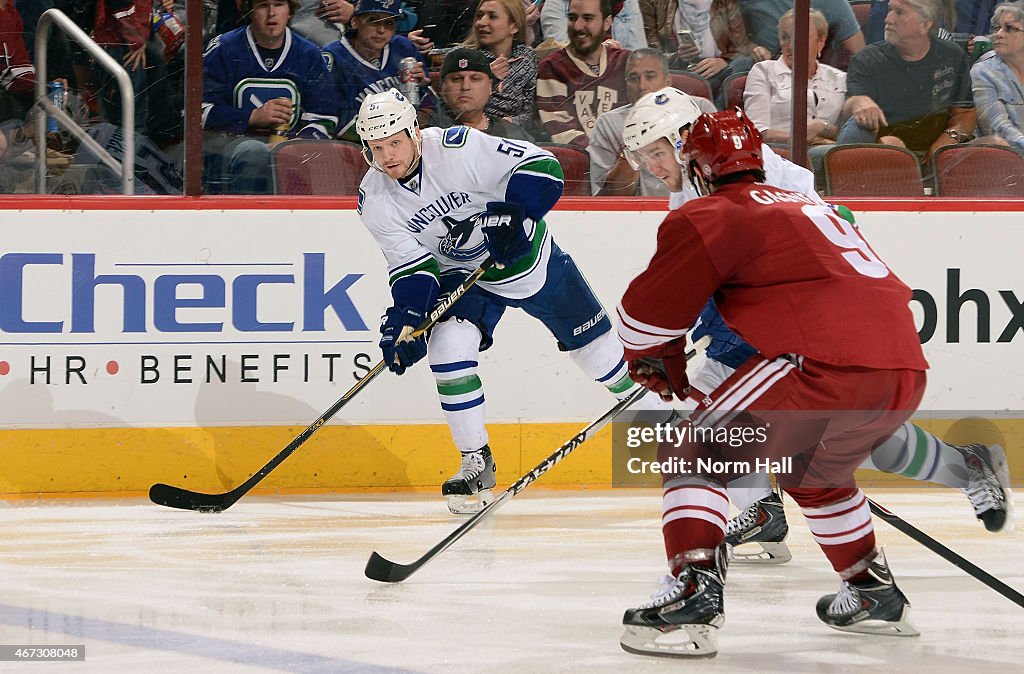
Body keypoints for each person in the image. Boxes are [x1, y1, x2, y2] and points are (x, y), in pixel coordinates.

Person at [620, 88, 1012, 567]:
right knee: (813, 433)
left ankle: (740, 534)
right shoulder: (692, 185)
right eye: (643, 157)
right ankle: (775, 511)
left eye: (656, 152)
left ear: (685, 139)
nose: (653, 166)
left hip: (795, 319)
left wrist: (680, 328)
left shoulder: (749, 168)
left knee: (721, 436)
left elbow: (812, 232)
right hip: (776, 314)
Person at [617, 109, 929, 657]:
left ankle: (690, 594)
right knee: (811, 470)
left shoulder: (711, 212)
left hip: (822, 365)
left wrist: (655, 357)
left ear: (699, 168)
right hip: (904, 370)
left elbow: (643, 319)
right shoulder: (810, 203)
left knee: (694, 449)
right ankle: (869, 589)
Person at [354, 87, 670, 513]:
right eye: (377, 147)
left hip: (528, 261)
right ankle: (475, 461)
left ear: (414, 131)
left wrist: (515, 213)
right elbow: (413, 269)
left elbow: (542, 165)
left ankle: (673, 437)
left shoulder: (458, 147)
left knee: (601, 359)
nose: (388, 155)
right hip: (467, 276)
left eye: (395, 142)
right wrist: (407, 319)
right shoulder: (375, 198)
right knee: (445, 346)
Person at [202, 0, 338, 193]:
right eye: (263, 5)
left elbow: (324, 117)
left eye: (279, 4)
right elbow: (199, 112)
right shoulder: (223, 49)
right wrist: (252, 117)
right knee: (253, 152)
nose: (272, 13)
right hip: (228, 151)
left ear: (290, 11)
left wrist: (301, 143)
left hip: (291, 150)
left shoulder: (309, 54)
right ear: (250, 11)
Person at [837, 0, 976, 164]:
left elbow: (965, 114)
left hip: (938, 151)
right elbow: (849, 110)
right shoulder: (867, 59)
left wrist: (948, 140)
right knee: (875, 137)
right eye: (889, 10)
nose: (888, 19)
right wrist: (858, 102)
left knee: (996, 145)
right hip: (880, 152)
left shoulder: (952, 55)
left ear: (925, 24)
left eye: (899, 12)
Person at [589, 49, 714, 196]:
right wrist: (633, 148)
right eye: (633, 78)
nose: (642, 85)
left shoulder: (698, 109)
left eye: (650, 76)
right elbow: (606, 200)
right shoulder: (608, 123)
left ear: (668, 81)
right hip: (642, 214)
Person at [743, 8, 844, 186]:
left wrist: (821, 127)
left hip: (831, 155)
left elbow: (846, 131)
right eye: (785, 37)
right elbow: (757, 132)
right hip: (783, 157)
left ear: (821, 41)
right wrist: (799, 138)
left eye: (799, 37)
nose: (790, 45)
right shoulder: (764, 72)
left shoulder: (839, 78)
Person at [321, 0, 429, 141]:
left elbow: (428, 105)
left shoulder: (404, 47)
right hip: (360, 145)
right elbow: (335, 121)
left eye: (389, 23)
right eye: (373, 20)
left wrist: (422, 87)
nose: (381, 30)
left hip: (406, 138)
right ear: (354, 22)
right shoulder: (332, 57)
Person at [536, 0, 630, 147]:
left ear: (607, 22)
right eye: (572, 18)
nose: (578, 26)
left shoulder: (626, 62)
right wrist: (607, 156)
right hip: (585, 163)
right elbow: (562, 132)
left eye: (588, 18)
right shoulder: (552, 67)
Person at [638, 0, 754, 105]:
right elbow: (650, 58)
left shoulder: (725, 2)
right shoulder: (653, 3)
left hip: (720, 70)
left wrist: (723, 61)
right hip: (679, 71)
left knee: (744, 63)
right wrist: (678, 57)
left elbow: (742, 47)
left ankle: (712, 115)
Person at [423, 47, 534, 140]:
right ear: (442, 87)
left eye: (475, 79)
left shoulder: (513, 136)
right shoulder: (423, 129)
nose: (465, 87)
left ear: (490, 87)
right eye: (456, 79)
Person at [459, 0, 538, 131]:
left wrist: (512, 122)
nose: (482, 22)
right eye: (479, 16)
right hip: (474, 135)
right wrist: (485, 78)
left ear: (514, 26)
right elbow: (457, 112)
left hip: (516, 136)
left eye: (492, 16)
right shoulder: (462, 58)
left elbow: (532, 112)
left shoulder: (526, 57)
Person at [971, 1, 1024, 152]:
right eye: (997, 28)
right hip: (1003, 160)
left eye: (1009, 28)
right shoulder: (983, 71)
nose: (999, 34)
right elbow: (996, 128)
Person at [739, 0, 865, 62]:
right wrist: (753, 50)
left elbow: (857, 52)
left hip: (816, 70)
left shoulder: (831, 2)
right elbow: (734, 42)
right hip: (762, 65)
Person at [541, 0, 648, 50]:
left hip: (619, 78)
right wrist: (601, 54)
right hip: (574, 81)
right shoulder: (556, 4)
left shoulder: (627, 3)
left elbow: (639, 55)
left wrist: (621, 59)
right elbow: (561, 56)